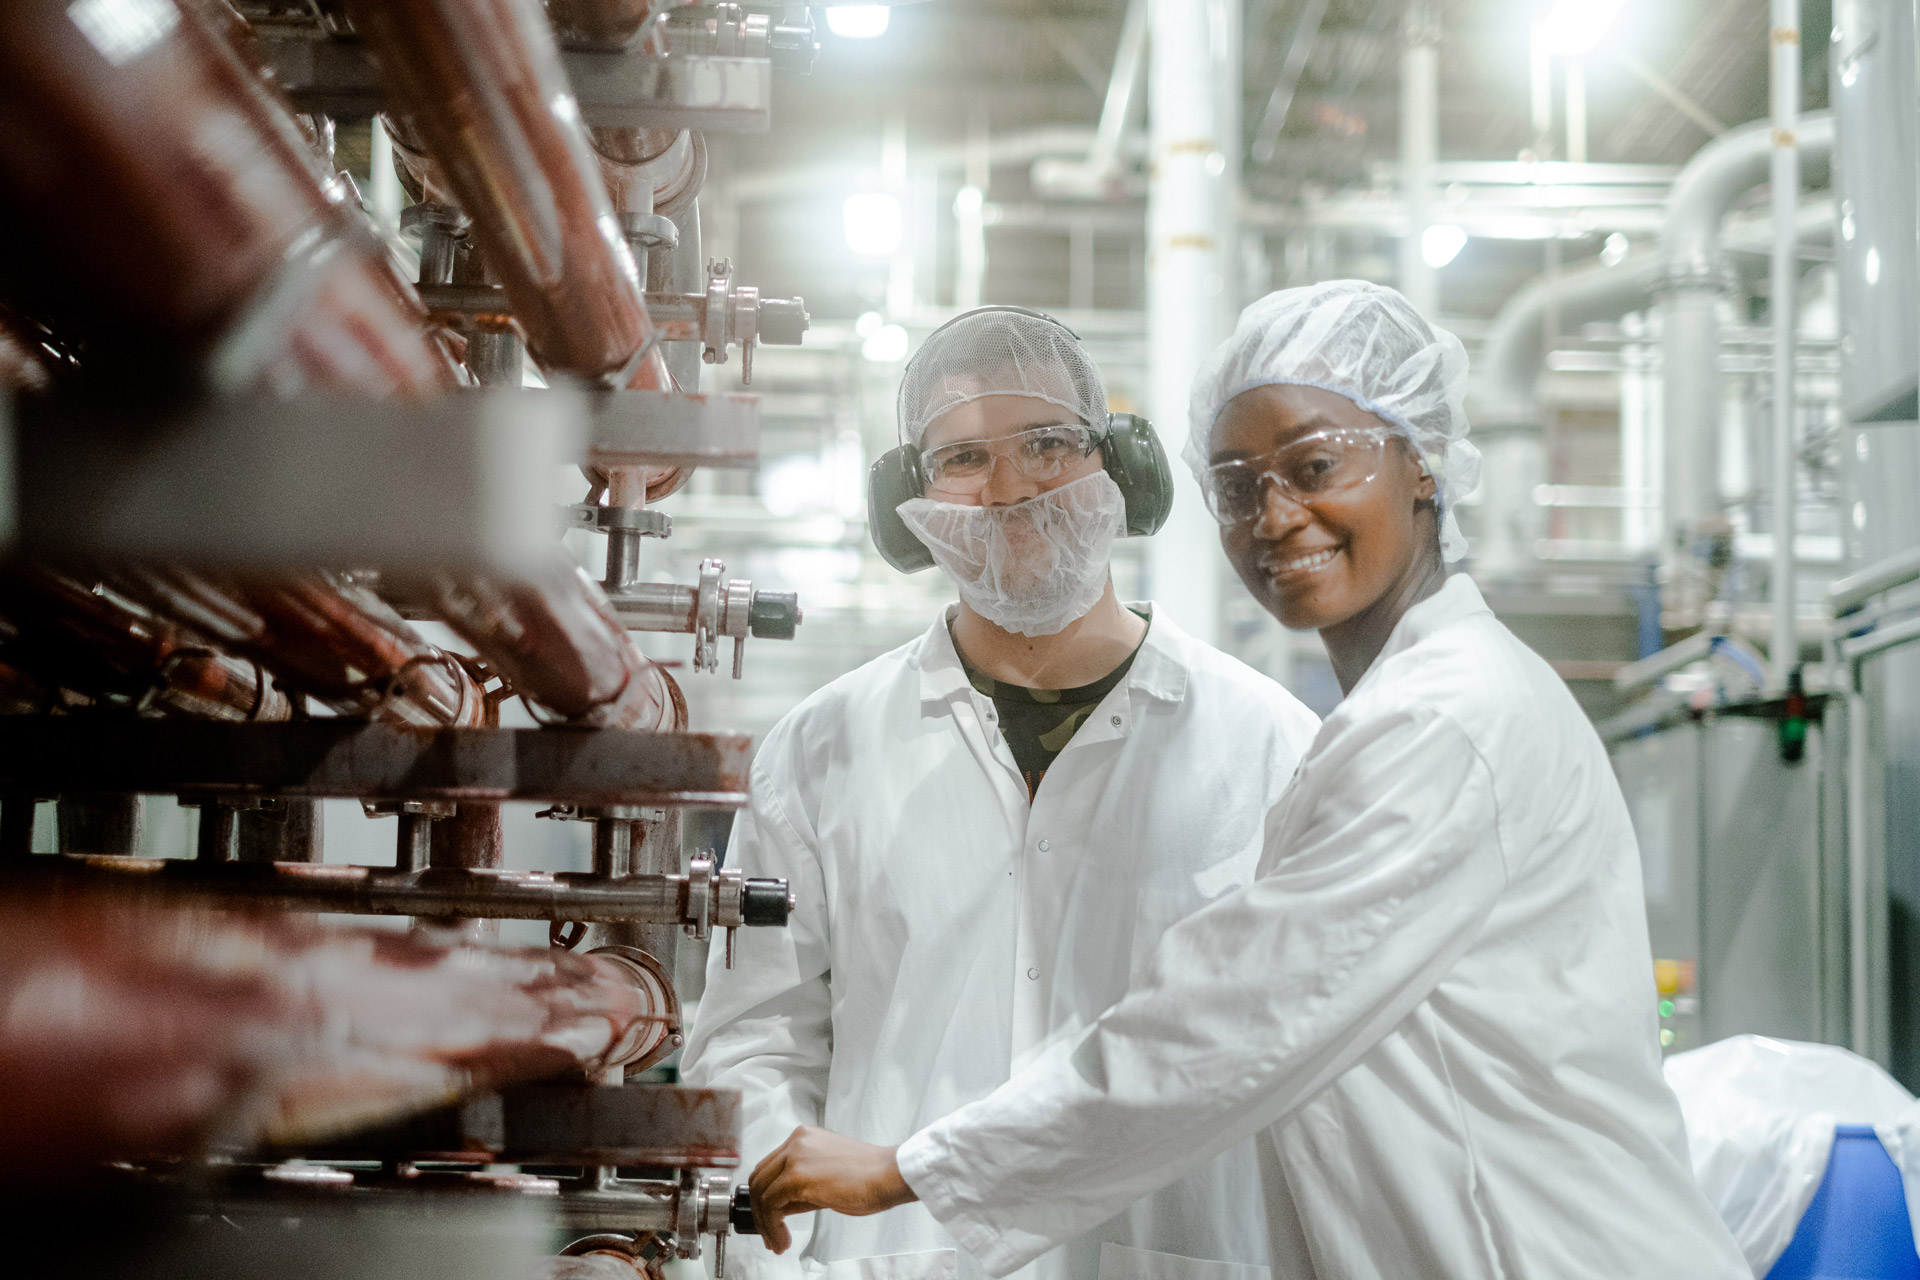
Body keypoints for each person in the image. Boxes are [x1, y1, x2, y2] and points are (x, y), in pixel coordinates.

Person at [745, 282, 1752, 1280]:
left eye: (1317, 463)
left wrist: (910, 1167)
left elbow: (1230, 1019)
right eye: (1235, 483)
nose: (1274, 515)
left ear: (1425, 464)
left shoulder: (1416, 725)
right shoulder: (817, 747)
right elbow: (756, 1038)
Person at [681, 307, 1320, 1280]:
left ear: (1121, 466)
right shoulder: (819, 751)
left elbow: (1320, 1058)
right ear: (909, 496)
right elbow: (754, 1042)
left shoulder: (1270, 744)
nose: (1012, 488)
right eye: (963, 457)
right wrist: (773, 1266)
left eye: (1049, 442)